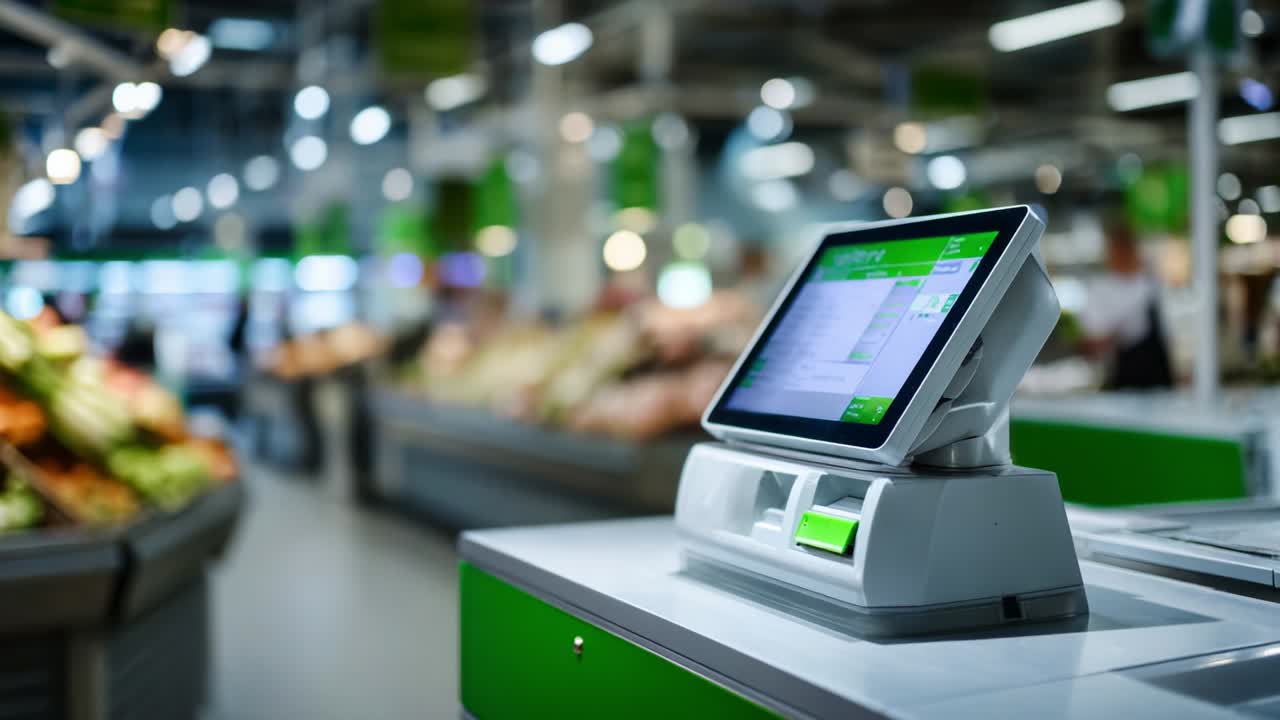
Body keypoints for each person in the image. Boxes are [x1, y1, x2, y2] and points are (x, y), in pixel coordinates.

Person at [1078, 221, 1174, 390]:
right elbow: (1091, 343)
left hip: (1159, 382)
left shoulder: (1152, 285)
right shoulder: (1100, 289)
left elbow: (1167, 337)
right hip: (1122, 380)